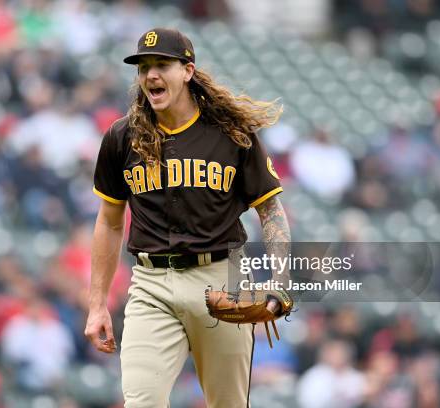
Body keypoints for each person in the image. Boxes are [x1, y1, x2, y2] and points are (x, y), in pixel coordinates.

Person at [85, 28, 290, 407]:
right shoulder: (121, 137)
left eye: (162, 64)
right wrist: (97, 304)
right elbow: (110, 221)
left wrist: (280, 281)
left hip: (221, 281)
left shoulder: (232, 135)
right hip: (151, 285)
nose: (150, 75)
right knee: (141, 402)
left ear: (188, 71)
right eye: (143, 67)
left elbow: (271, 209)